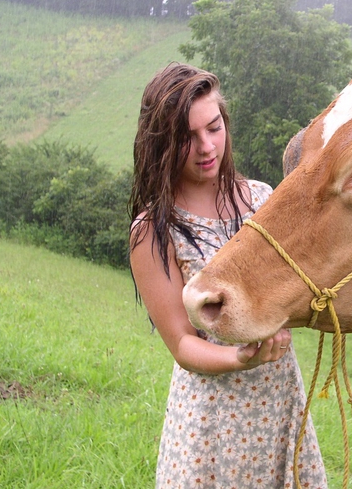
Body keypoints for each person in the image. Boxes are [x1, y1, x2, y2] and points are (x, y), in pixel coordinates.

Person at [129, 62, 327, 488]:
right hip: (212, 422)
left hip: (279, 402)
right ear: (162, 143)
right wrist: (240, 358)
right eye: (188, 137)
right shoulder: (153, 231)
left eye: (214, 127)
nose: (206, 146)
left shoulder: (263, 200)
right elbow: (183, 344)